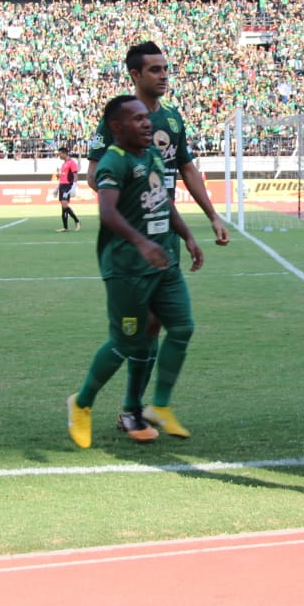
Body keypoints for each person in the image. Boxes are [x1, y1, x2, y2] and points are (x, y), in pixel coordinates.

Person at [85, 41, 228, 440]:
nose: (163, 75)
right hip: (135, 238)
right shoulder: (120, 118)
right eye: (154, 70)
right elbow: (94, 174)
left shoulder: (173, 119)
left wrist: (211, 216)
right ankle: (128, 408)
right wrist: (132, 180)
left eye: (166, 68)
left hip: (165, 234)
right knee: (141, 329)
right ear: (135, 76)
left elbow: (187, 170)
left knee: (164, 324)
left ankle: (138, 408)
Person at [67, 95, 203, 449]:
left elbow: (164, 200)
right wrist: (142, 243)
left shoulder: (153, 154)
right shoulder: (114, 161)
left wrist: (187, 235)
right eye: (138, 119)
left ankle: (157, 405)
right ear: (117, 127)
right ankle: (81, 403)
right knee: (127, 341)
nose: (147, 123)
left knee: (183, 326)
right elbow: (108, 213)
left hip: (163, 262)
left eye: (147, 118)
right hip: (128, 267)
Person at [55, 146, 82, 232]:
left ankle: (77, 220)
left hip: (67, 186)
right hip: (62, 186)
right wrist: (57, 188)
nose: (59, 156)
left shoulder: (72, 162)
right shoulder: (63, 164)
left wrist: (74, 185)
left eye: (60, 154)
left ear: (64, 153)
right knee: (63, 207)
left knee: (64, 205)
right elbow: (63, 177)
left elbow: (75, 174)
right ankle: (65, 227)